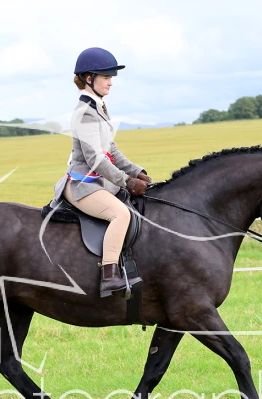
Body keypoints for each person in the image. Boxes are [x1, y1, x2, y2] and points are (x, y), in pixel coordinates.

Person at [51, 47, 151, 297]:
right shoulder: (85, 113)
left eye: (111, 77)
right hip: (82, 185)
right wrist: (127, 181)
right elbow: (95, 159)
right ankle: (109, 276)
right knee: (120, 214)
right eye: (106, 77)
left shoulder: (99, 107)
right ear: (88, 78)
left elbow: (111, 149)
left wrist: (137, 171)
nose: (110, 82)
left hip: (99, 184)